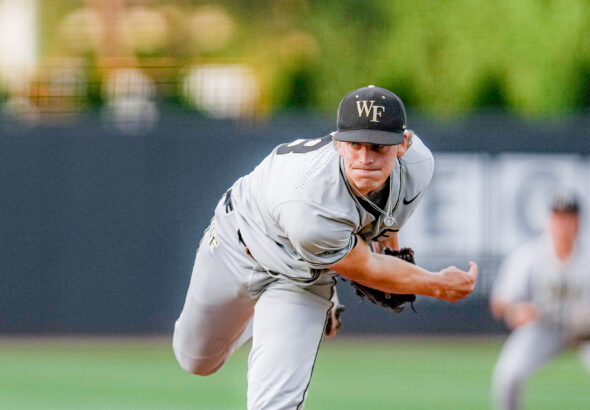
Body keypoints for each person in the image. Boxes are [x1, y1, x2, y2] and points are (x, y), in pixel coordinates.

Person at [172, 85, 478, 409]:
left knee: (275, 404)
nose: (365, 158)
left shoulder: (418, 167)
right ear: (337, 142)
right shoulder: (310, 203)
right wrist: (437, 284)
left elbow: (386, 225)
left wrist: (388, 252)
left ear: (403, 144)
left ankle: (307, 306)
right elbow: (368, 269)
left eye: (378, 146)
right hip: (238, 245)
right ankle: (281, 310)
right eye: (355, 144)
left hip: (301, 279)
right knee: (196, 361)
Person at [490, 192, 590, 410]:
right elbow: (500, 301)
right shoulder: (529, 255)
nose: (564, 224)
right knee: (508, 376)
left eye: (569, 217)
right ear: (550, 220)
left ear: (579, 222)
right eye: (559, 217)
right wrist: (515, 311)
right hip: (545, 327)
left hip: (587, 331)